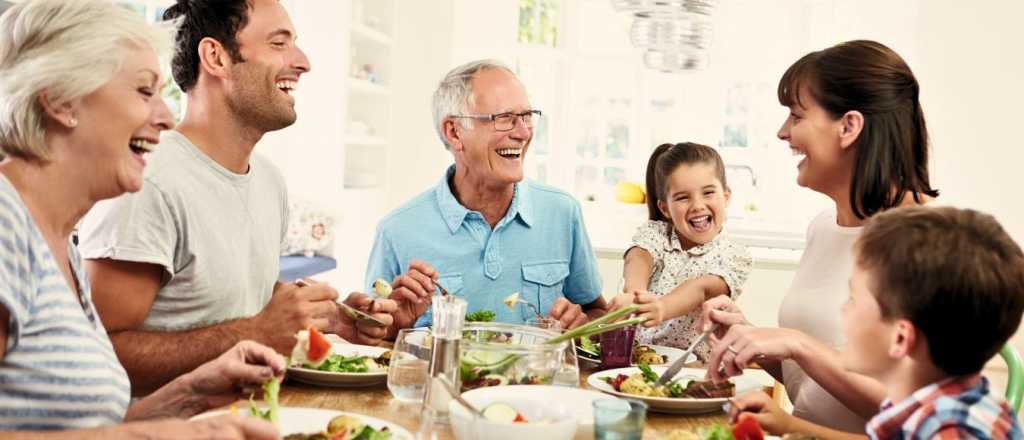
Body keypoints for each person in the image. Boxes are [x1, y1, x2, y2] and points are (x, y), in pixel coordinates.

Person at [78, 0, 397, 395]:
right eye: (279, 43)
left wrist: (331, 320)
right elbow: (101, 353)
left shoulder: (269, 181)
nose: (303, 61)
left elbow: (237, 299)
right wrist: (257, 332)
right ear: (216, 56)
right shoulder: (148, 182)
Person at [0, 0, 282, 437]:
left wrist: (190, 394)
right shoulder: (5, 223)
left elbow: (85, 426)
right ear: (60, 100)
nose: (166, 118)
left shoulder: (60, 243)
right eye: (144, 91)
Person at [698, 39, 940, 433]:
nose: (782, 132)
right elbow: (812, 387)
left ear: (848, 126)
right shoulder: (824, 227)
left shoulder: (928, 244)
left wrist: (797, 344)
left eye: (796, 116)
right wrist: (752, 338)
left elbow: (915, 412)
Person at [729, 207, 1023, 439]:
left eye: (853, 299)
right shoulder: (936, 404)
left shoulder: (949, 431)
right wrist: (788, 426)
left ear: (900, 339)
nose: (842, 310)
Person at [365, 59, 607, 336]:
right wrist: (395, 327)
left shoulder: (562, 212)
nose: (523, 132)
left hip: (536, 380)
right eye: (504, 119)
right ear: (454, 132)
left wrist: (583, 324)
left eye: (526, 116)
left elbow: (597, 312)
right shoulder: (397, 230)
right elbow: (371, 339)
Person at [610, 142, 752, 361]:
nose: (697, 205)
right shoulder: (656, 233)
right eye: (683, 197)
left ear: (726, 197)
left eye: (708, 193)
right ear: (665, 208)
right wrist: (634, 295)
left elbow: (702, 288)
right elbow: (638, 258)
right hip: (635, 363)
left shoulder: (734, 255)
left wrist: (661, 308)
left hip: (693, 371)